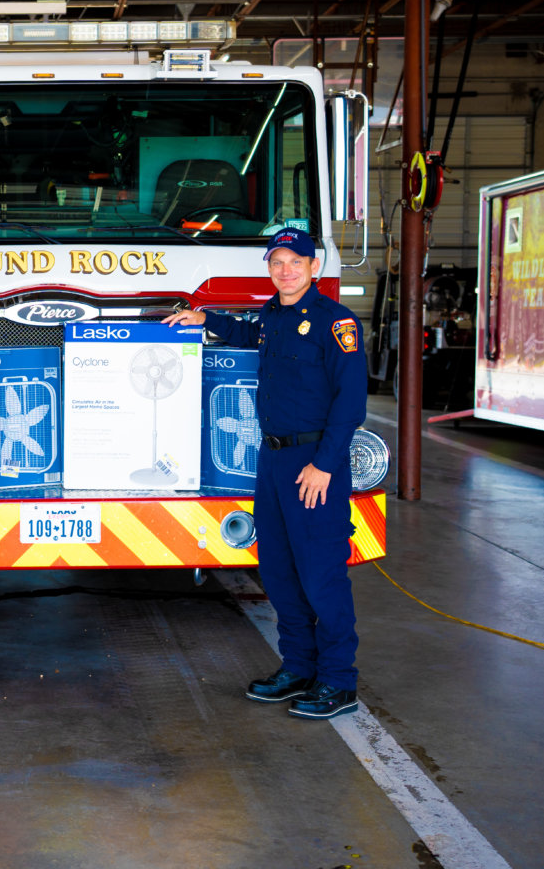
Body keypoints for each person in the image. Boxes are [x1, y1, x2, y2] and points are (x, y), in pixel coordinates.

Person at [164, 227, 366, 720]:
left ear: (314, 267)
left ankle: (338, 681)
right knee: (277, 570)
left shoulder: (336, 323)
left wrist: (324, 465)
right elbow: (246, 331)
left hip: (314, 462)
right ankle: (298, 667)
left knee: (321, 576)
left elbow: (351, 402)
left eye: (296, 261)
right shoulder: (271, 316)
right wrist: (204, 318)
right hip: (272, 461)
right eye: (277, 262)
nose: (286, 269)